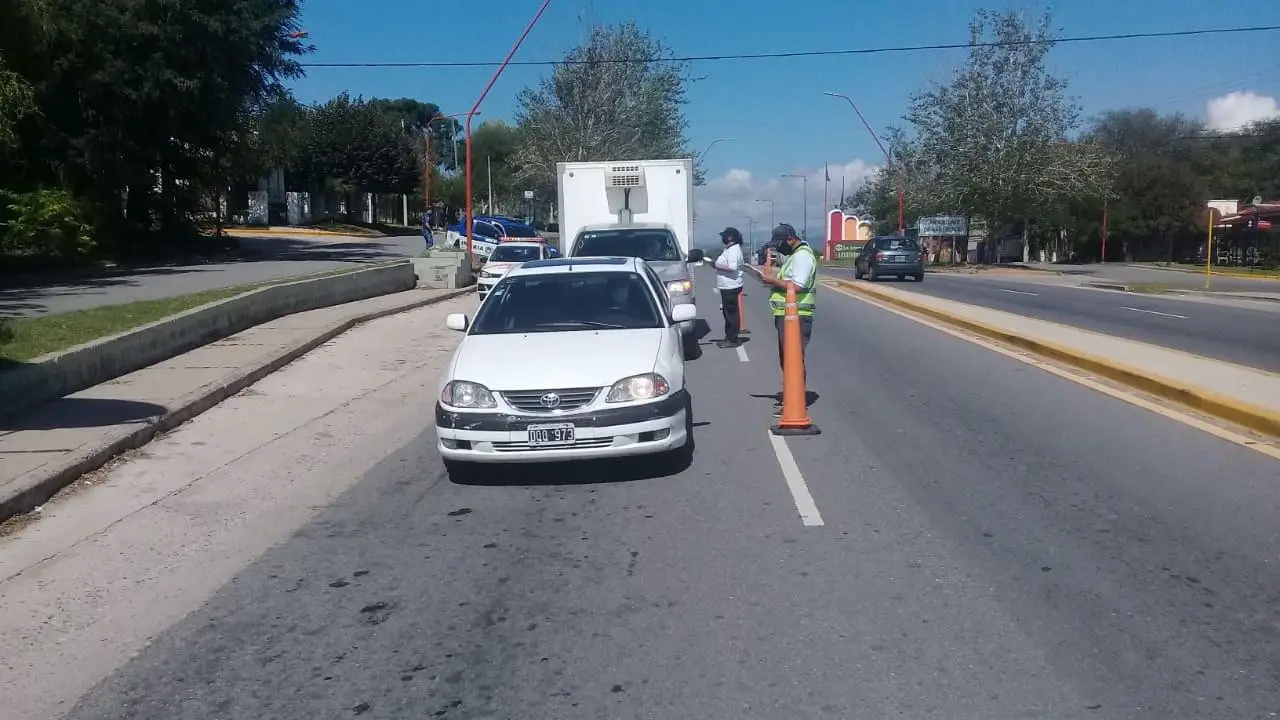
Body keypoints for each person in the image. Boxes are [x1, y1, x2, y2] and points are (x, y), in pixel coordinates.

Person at [757, 223, 817, 407]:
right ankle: (791, 396)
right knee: (788, 358)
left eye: (779, 243)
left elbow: (797, 286)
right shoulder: (794, 256)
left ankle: (795, 401)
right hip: (787, 314)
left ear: (790, 239)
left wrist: (773, 281)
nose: (778, 247)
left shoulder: (803, 257)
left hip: (796, 314)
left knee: (793, 359)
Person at [713, 226, 745, 348]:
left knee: (731, 313)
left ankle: (732, 339)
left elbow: (732, 267)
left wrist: (716, 265)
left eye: (724, 236)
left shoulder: (733, 250)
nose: (723, 239)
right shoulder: (731, 249)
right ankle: (729, 337)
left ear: (730, 238)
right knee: (728, 312)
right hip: (728, 285)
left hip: (731, 285)